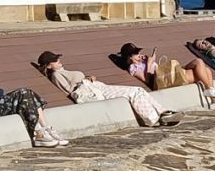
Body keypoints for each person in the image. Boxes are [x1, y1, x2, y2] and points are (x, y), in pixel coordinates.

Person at [37, 51, 183, 127]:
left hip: (96, 86)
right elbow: (70, 90)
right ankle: (153, 118)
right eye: (55, 60)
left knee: (139, 90)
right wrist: (86, 80)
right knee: (135, 91)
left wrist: (89, 78)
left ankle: (163, 112)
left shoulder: (62, 71)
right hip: (91, 90)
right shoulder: (56, 74)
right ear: (49, 65)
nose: (59, 61)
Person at [119, 42, 215, 111]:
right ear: (130, 58)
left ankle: (213, 98)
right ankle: (214, 100)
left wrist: (149, 61)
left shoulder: (142, 61)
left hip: (169, 74)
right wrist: (149, 63)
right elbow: (148, 80)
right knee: (204, 71)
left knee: (200, 64)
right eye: (136, 54)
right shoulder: (133, 68)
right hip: (161, 82)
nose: (139, 55)